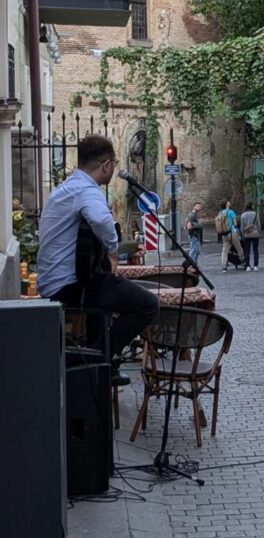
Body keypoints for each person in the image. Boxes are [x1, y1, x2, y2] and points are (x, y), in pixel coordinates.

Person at [37, 134, 159, 384]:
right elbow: (102, 221)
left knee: (105, 293)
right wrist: (112, 249)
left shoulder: (66, 188)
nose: (114, 169)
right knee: (147, 304)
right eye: (114, 163)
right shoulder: (86, 190)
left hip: (54, 281)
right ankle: (96, 359)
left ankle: (100, 364)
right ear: (106, 165)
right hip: (69, 285)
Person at [218, 199, 244, 271]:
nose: (229, 203)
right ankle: (242, 260)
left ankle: (224, 266)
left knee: (225, 250)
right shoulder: (231, 212)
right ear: (227, 204)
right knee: (239, 247)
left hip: (224, 233)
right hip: (232, 232)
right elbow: (235, 223)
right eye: (228, 202)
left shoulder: (220, 213)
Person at [240, 200, 261, 272]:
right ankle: (255, 265)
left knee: (247, 251)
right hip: (255, 233)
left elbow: (242, 227)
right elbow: (258, 225)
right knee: (255, 250)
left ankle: (248, 265)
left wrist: (242, 235)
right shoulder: (256, 214)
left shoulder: (243, 215)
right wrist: (259, 233)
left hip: (247, 234)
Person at [186, 200, 204, 265]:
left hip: (197, 235)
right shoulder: (191, 215)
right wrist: (198, 225)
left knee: (197, 251)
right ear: (194, 207)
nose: (199, 208)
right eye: (198, 206)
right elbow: (189, 226)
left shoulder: (195, 215)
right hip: (193, 235)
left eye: (200, 207)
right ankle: (190, 264)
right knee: (193, 251)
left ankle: (194, 264)